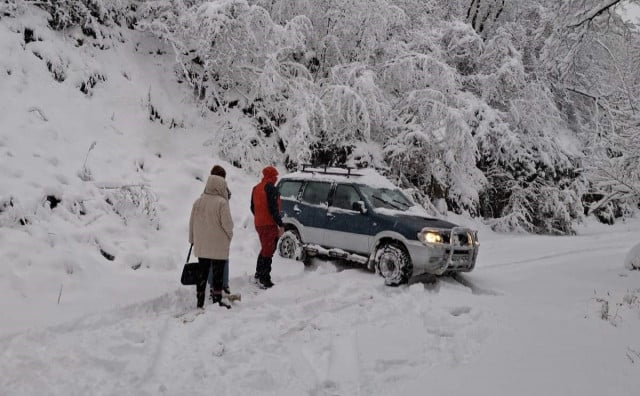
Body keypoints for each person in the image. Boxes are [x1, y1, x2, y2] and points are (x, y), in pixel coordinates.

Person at [189, 173, 234, 309]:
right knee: (217, 273)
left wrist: (192, 240)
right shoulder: (221, 203)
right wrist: (229, 236)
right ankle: (217, 299)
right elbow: (228, 225)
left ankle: (200, 300)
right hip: (218, 245)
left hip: (202, 245)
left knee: (202, 272)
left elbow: (192, 223)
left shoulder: (198, 202)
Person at [250, 165, 284, 288]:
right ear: (272, 176)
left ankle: (259, 274)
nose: (276, 178)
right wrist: (280, 224)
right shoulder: (271, 189)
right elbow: (274, 209)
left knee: (265, 248)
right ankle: (265, 279)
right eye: (275, 176)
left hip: (258, 224)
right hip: (269, 225)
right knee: (268, 250)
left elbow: (252, 207)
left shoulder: (255, 188)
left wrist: (259, 216)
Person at [206, 165, 233, 301]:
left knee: (212, 259)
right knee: (223, 258)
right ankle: (223, 284)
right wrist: (229, 233)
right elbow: (225, 214)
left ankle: (214, 285)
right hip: (221, 229)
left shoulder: (208, 190)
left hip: (210, 228)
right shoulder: (224, 191)